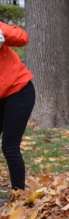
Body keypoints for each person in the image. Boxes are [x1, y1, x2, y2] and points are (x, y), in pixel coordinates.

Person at [0, 20, 36, 191]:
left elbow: (22, 38)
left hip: (19, 91)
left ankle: (18, 195)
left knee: (9, 147)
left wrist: (3, 34)